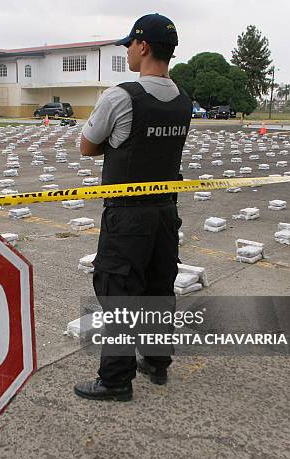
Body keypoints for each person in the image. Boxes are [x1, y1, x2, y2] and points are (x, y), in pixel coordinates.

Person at [74, 14, 192, 402]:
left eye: (129, 43)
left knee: (118, 291)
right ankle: (157, 361)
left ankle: (115, 379)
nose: (126, 49)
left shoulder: (120, 95)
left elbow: (88, 146)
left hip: (127, 215)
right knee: (159, 286)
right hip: (164, 213)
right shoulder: (183, 101)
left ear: (143, 46)